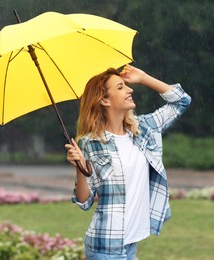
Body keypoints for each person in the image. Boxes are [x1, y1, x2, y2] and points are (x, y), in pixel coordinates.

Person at [65, 64, 191, 259]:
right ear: (105, 100)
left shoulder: (143, 129)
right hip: (105, 246)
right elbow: (84, 201)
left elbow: (181, 101)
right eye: (120, 87)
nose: (130, 89)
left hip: (131, 244)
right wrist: (80, 169)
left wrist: (143, 77)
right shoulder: (90, 143)